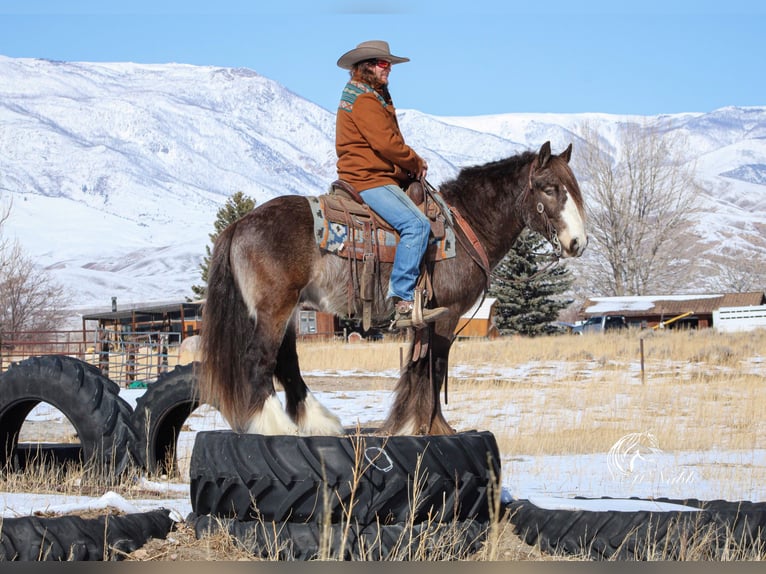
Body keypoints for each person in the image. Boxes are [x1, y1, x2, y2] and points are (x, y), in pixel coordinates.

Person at [335, 40, 448, 329]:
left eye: (389, 65)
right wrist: (414, 162)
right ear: (366, 67)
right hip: (368, 178)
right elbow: (387, 143)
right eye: (383, 64)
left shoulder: (371, 95)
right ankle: (402, 300)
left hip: (372, 174)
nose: (388, 70)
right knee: (417, 225)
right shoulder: (365, 100)